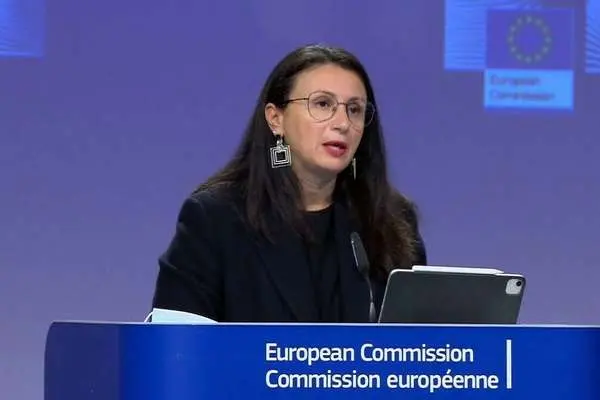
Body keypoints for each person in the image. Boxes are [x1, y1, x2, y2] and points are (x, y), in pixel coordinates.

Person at [151, 44, 427, 323]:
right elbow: (176, 343)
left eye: (354, 109)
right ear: (276, 119)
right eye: (323, 104)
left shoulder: (391, 219)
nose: (343, 123)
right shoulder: (214, 219)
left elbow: (422, 341)